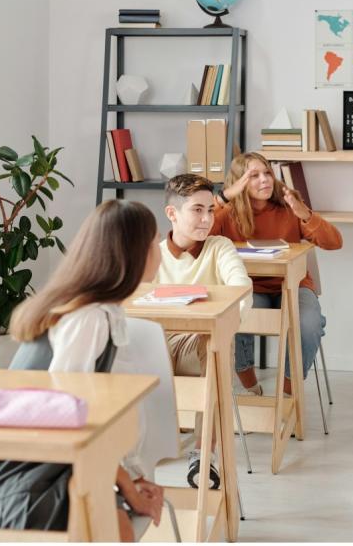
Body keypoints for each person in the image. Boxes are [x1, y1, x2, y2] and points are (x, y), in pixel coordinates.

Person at [0, 200, 164, 541]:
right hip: (21, 485)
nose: (159, 250)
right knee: (115, 529)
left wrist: (129, 478)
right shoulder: (87, 320)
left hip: (57, 469)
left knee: (115, 523)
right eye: (154, 241)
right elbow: (67, 423)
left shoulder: (101, 312)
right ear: (135, 253)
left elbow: (90, 422)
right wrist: (126, 485)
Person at [210, 152, 342, 397]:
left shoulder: (289, 207)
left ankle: (288, 395)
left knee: (309, 324)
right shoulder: (226, 214)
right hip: (250, 288)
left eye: (267, 173)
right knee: (234, 315)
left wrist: (305, 215)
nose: (264, 180)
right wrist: (224, 197)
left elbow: (334, 242)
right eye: (254, 176)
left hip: (293, 285)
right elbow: (196, 236)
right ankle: (250, 386)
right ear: (238, 182)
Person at [156, 173, 252, 490]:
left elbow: (241, 290)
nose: (207, 218)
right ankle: (131, 455)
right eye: (197, 210)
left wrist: (224, 324)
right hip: (157, 345)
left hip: (201, 342)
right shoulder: (153, 254)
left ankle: (203, 455)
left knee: (215, 344)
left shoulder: (219, 247)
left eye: (210, 210)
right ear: (172, 214)